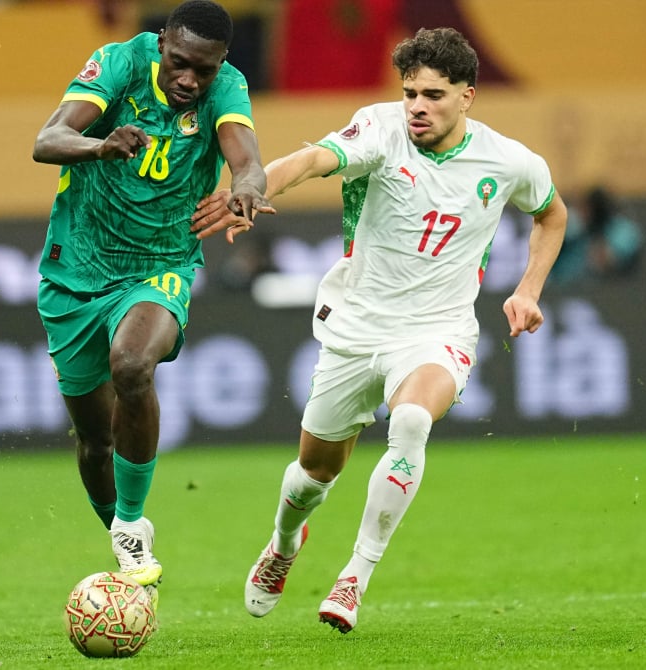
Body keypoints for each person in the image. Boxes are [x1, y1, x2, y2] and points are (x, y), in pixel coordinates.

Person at [192, 27, 566, 633]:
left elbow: (551, 213)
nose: (417, 106)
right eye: (410, 92)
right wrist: (253, 185)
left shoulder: (508, 161)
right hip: (357, 328)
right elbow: (312, 161)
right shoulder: (379, 128)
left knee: (412, 421)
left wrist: (528, 289)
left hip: (437, 331)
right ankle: (284, 544)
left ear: (467, 97)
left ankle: (354, 577)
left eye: (434, 95)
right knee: (314, 474)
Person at [30, 0, 272, 596]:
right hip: (76, 271)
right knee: (95, 443)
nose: (189, 79)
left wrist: (246, 189)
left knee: (133, 364)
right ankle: (122, 536)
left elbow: (247, 161)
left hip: (160, 267)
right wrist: (100, 145)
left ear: (221, 65)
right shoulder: (119, 64)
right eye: (180, 63)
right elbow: (48, 139)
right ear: (162, 42)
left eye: (204, 70)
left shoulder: (227, 88)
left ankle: (133, 525)